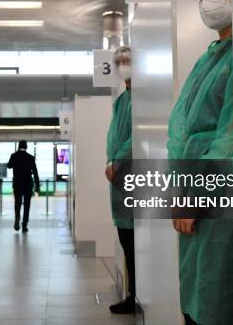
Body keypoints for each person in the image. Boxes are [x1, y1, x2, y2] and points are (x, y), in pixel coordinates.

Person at [167, 0, 233, 325]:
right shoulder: (209, 57)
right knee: (194, 296)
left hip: (218, 196)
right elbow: (181, 130)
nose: (206, 2)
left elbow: (231, 138)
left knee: (216, 299)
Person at [105, 46, 136, 315]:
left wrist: (118, 160)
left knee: (138, 245)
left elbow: (137, 136)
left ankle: (137, 295)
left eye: (128, 60)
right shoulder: (120, 101)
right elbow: (115, 139)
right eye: (120, 61)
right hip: (119, 182)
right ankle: (133, 295)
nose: (123, 64)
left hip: (135, 179)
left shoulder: (142, 98)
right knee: (128, 243)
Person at [7, 140, 40, 232]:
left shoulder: (14, 156)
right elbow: (35, 172)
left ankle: (17, 217)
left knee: (17, 202)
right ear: (26, 147)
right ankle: (24, 225)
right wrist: (37, 185)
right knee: (27, 205)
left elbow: (8, 166)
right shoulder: (31, 158)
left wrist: (15, 164)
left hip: (17, 184)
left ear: (18, 146)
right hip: (28, 184)